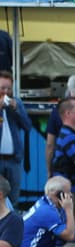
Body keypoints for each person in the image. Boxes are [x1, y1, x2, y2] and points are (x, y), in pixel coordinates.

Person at [0, 70, 32, 199]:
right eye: (2, 88)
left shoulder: (17, 103)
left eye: (9, 88)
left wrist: (17, 109)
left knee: (13, 197)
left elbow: (27, 126)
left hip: (14, 159)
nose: (6, 92)